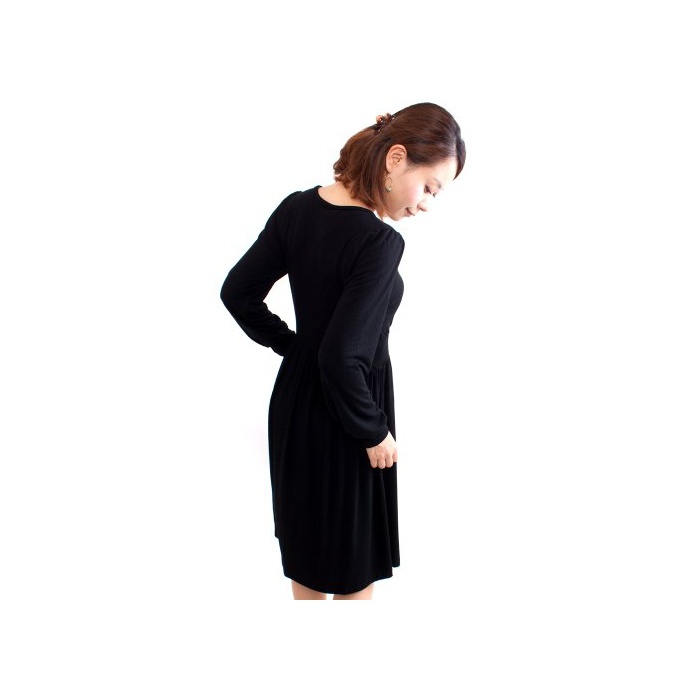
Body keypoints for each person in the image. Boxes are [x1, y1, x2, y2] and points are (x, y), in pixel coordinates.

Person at [220, 102, 466, 600]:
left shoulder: (296, 208)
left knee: (308, 568)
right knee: (355, 575)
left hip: (297, 408)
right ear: (396, 158)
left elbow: (238, 293)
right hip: (348, 420)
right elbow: (342, 356)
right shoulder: (378, 241)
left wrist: (295, 348)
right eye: (429, 187)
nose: (425, 205)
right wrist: (372, 430)